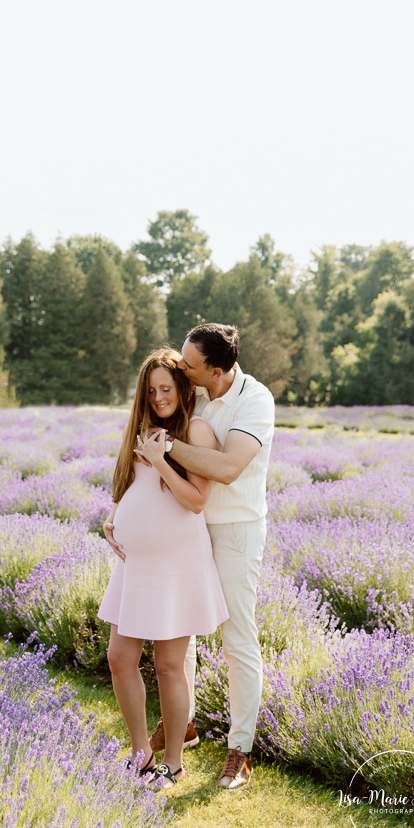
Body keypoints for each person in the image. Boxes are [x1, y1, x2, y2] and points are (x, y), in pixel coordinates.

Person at [143, 323, 274, 791]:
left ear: (217, 370)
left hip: (236, 530)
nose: (182, 368)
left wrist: (169, 447)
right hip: (189, 525)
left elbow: (227, 468)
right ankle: (187, 723)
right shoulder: (195, 391)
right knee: (183, 628)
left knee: (237, 633)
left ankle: (240, 748)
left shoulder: (254, 400)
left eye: (190, 365)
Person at [99, 347, 228, 791]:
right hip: (137, 565)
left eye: (166, 388)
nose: (158, 398)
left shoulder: (197, 431)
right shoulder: (142, 427)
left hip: (177, 565)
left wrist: (160, 460)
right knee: (120, 658)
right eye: (151, 391)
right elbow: (129, 484)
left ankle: (173, 763)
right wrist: (114, 516)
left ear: (183, 388)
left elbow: (195, 501)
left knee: (170, 665)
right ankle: (141, 752)